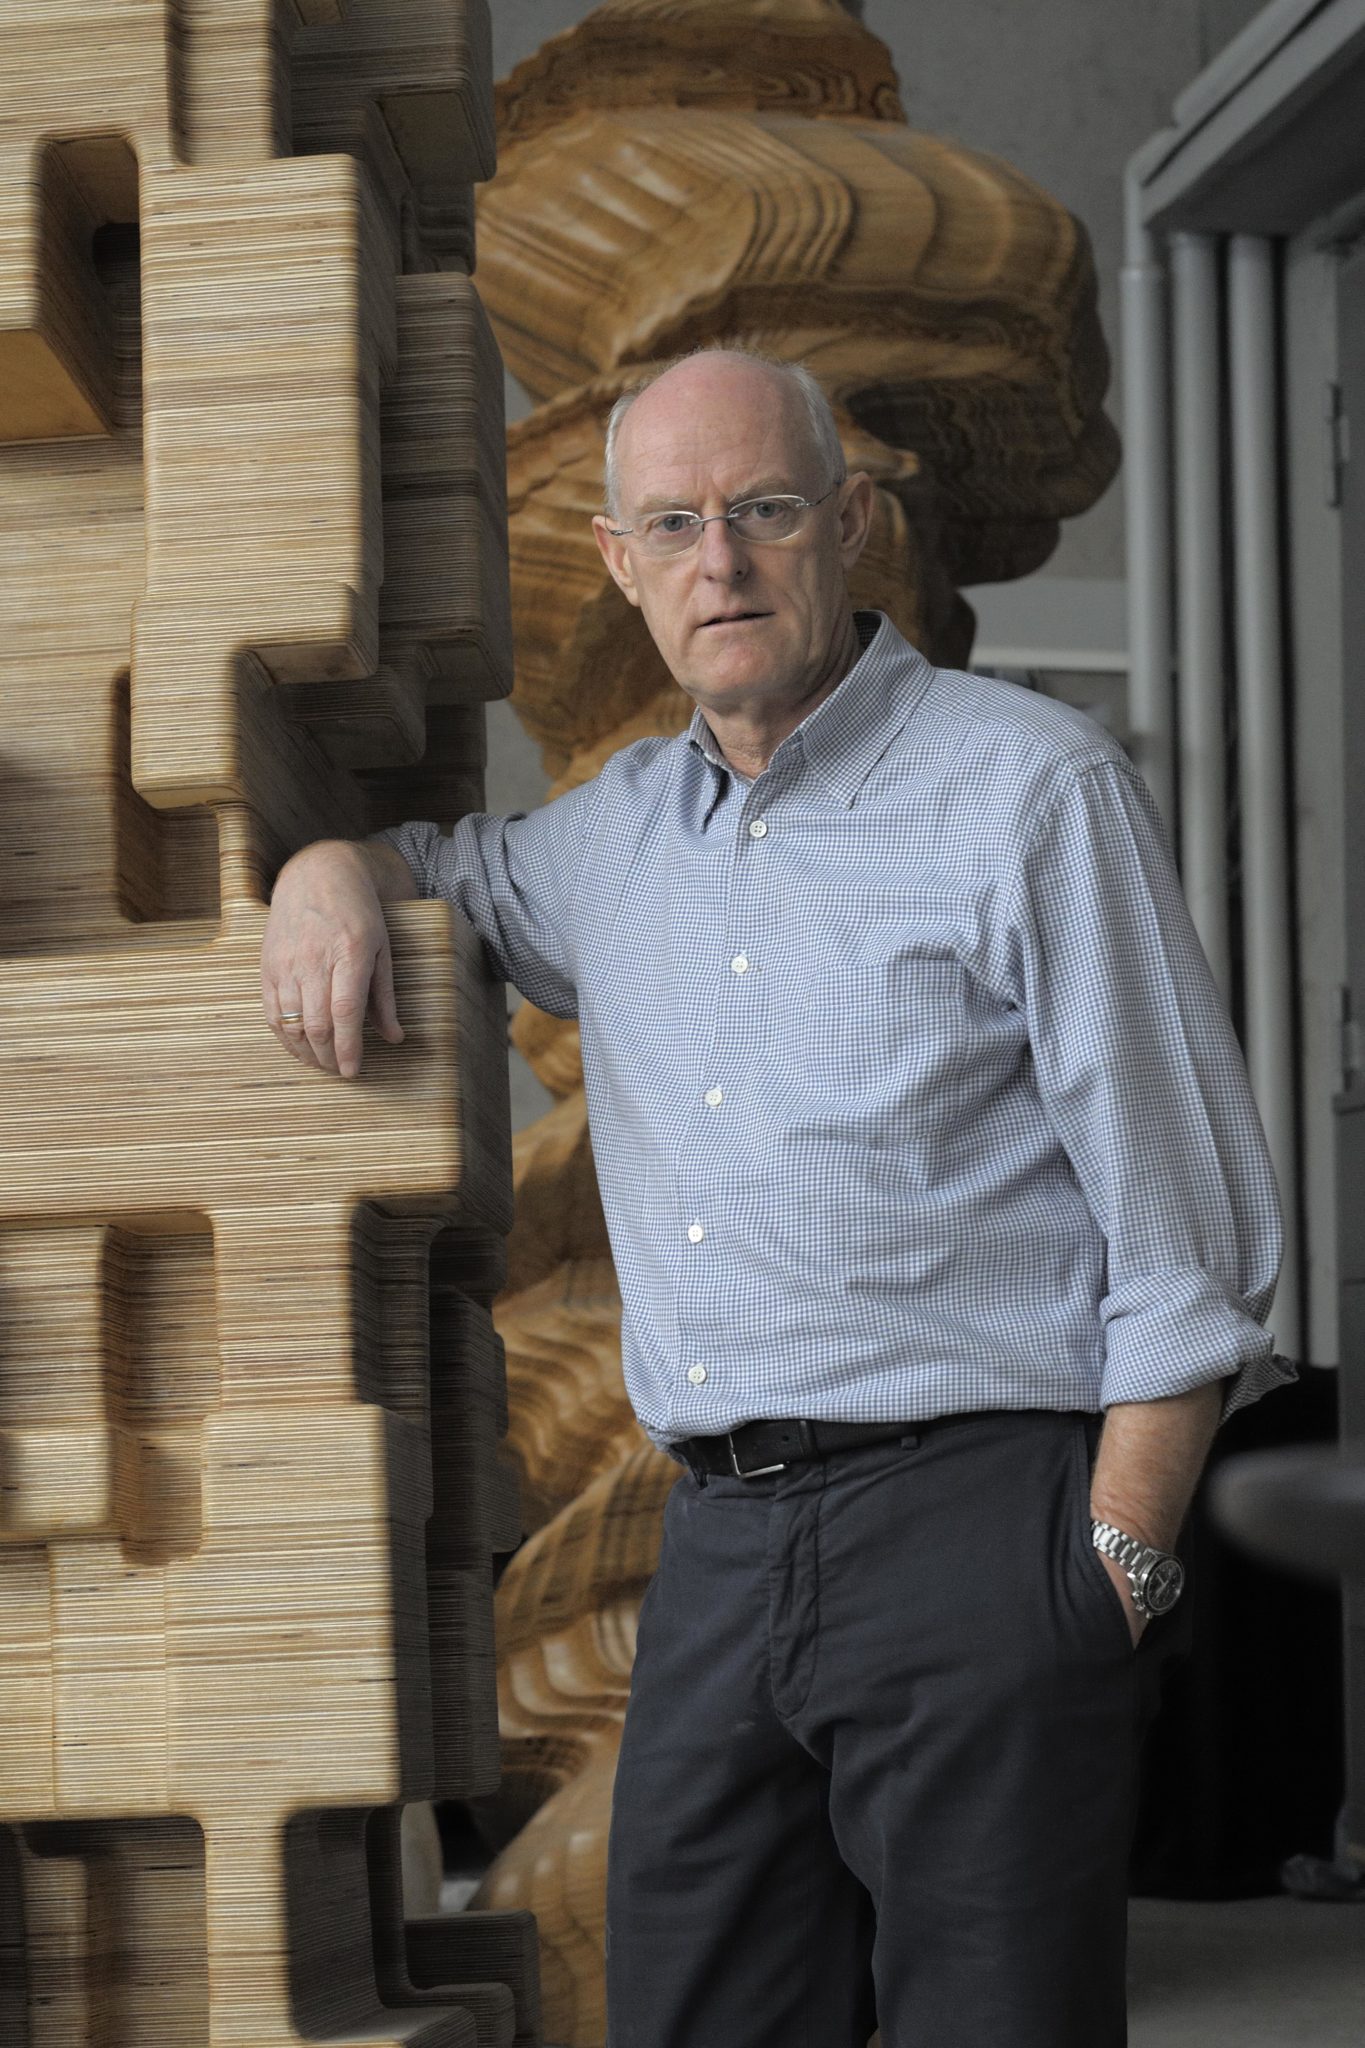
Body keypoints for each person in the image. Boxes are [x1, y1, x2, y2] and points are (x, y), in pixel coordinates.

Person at [261, 347, 1294, 2047]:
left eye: (762, 509)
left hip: (982, 1519)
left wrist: (1112, 1562)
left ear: (851, 521)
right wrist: (325, 874)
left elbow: (1191, 1225)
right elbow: (433, 871)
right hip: (719, 1547)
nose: (720, 562)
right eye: (673, 525)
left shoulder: (1030, 788)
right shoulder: (609, 841)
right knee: (694, 2008)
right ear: (619, 564)